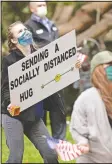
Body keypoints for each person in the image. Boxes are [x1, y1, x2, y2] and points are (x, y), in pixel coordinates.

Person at [1, 21, 80, 163]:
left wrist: (72, 67)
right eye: (19, 32)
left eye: (25, 29)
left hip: (34, 116)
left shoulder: (42, 57)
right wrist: (11, 102)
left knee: (51, 155)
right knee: (15, 158)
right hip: (14, 116)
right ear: (13, 40)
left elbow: (56, 77)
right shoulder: (9, 61)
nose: (24, 32)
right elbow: (6, 88)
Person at [25, 1, 66, 140]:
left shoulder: (52, 25)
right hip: (40, 73)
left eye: (44, 4)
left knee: (58, 106)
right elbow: (28, 49)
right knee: (41, 108)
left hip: (56, 72)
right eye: (39, 5)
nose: (43, 7)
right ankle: (42, 139)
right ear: (31, 8)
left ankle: (59, 140)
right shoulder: (28, 26)